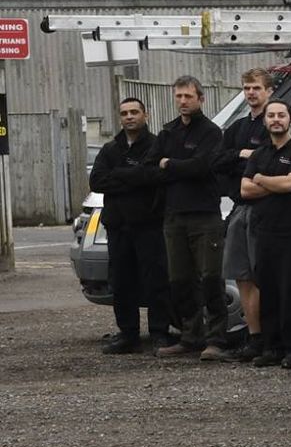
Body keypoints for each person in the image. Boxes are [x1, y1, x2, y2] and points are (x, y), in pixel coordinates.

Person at [88, 97, 173, 355]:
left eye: (134, 112)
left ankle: (159, 332)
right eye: (124, 112)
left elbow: (157, 176)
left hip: (149, 225)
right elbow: (97, 182)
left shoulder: (157, 145)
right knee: (122, 281)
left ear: (145, 115)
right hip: (118, 227)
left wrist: (122, 175)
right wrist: (135, 178)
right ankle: (128, 334)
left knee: (156, 280)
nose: (129, 117)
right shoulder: (111, 149)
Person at [241, 98, 291, 369]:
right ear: (265, 120)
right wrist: (271, 183)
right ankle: (272, 347)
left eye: (281, 115)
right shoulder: (261, 153)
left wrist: (261, 179)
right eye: (271, 115)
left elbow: (290, 184)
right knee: (269, 291)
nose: (276, 119)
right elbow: (244, 190)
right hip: (264, 233)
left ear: (290, 119)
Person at [153, 76, 226, 359]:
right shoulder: (168, 132)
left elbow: (201, 167)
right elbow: (152, 166)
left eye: (188, 96)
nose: (183, 101)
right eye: (179, 96)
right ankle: (190, 336)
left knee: (210, 278)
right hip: (174, 216)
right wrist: (175, 167)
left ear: (201, 99)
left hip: (204, 216)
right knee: (180, 280)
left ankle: (217, 339)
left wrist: (170, 164)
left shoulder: (211, 132)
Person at [206, 66, 273, 361]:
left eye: (256, 88)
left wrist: (251, 162)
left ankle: (271, 337)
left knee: (265, 276)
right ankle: (253, 337)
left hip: (266, 210)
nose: (251, 93)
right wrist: (241, 156)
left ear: (269, 91)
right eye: (247, 88)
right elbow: (216, 160)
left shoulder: (275, 123)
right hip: (239, 208)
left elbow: (271, 165)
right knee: (242, 277)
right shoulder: (237, 129)